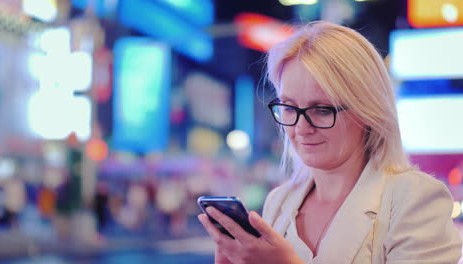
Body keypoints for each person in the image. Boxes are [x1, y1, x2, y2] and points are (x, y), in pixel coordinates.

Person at [197, 21, 462, 264]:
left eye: (322, 109)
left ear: (368, 110)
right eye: (289, 108)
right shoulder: (279, 201)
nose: (301, 127)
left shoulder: (415, 199)